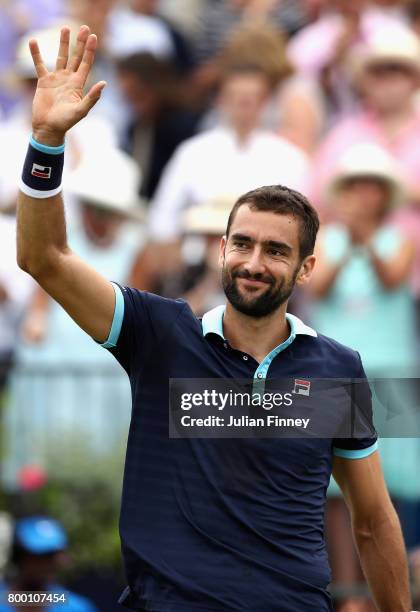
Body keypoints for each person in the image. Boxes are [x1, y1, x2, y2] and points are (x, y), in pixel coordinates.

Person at [16, 25, 411, 611]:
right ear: (222, 248)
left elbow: (374, 522)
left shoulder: (335, 368)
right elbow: (43, 258)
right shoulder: (160, 334)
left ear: (305, 270)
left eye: (276, 251)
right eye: (242, 243)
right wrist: (47, 140)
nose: (254, 262)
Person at [0, 516, 98, 612]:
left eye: (51, 556)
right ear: (19, 557)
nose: (46, 565)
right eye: (39, 556)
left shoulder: (76, 608)